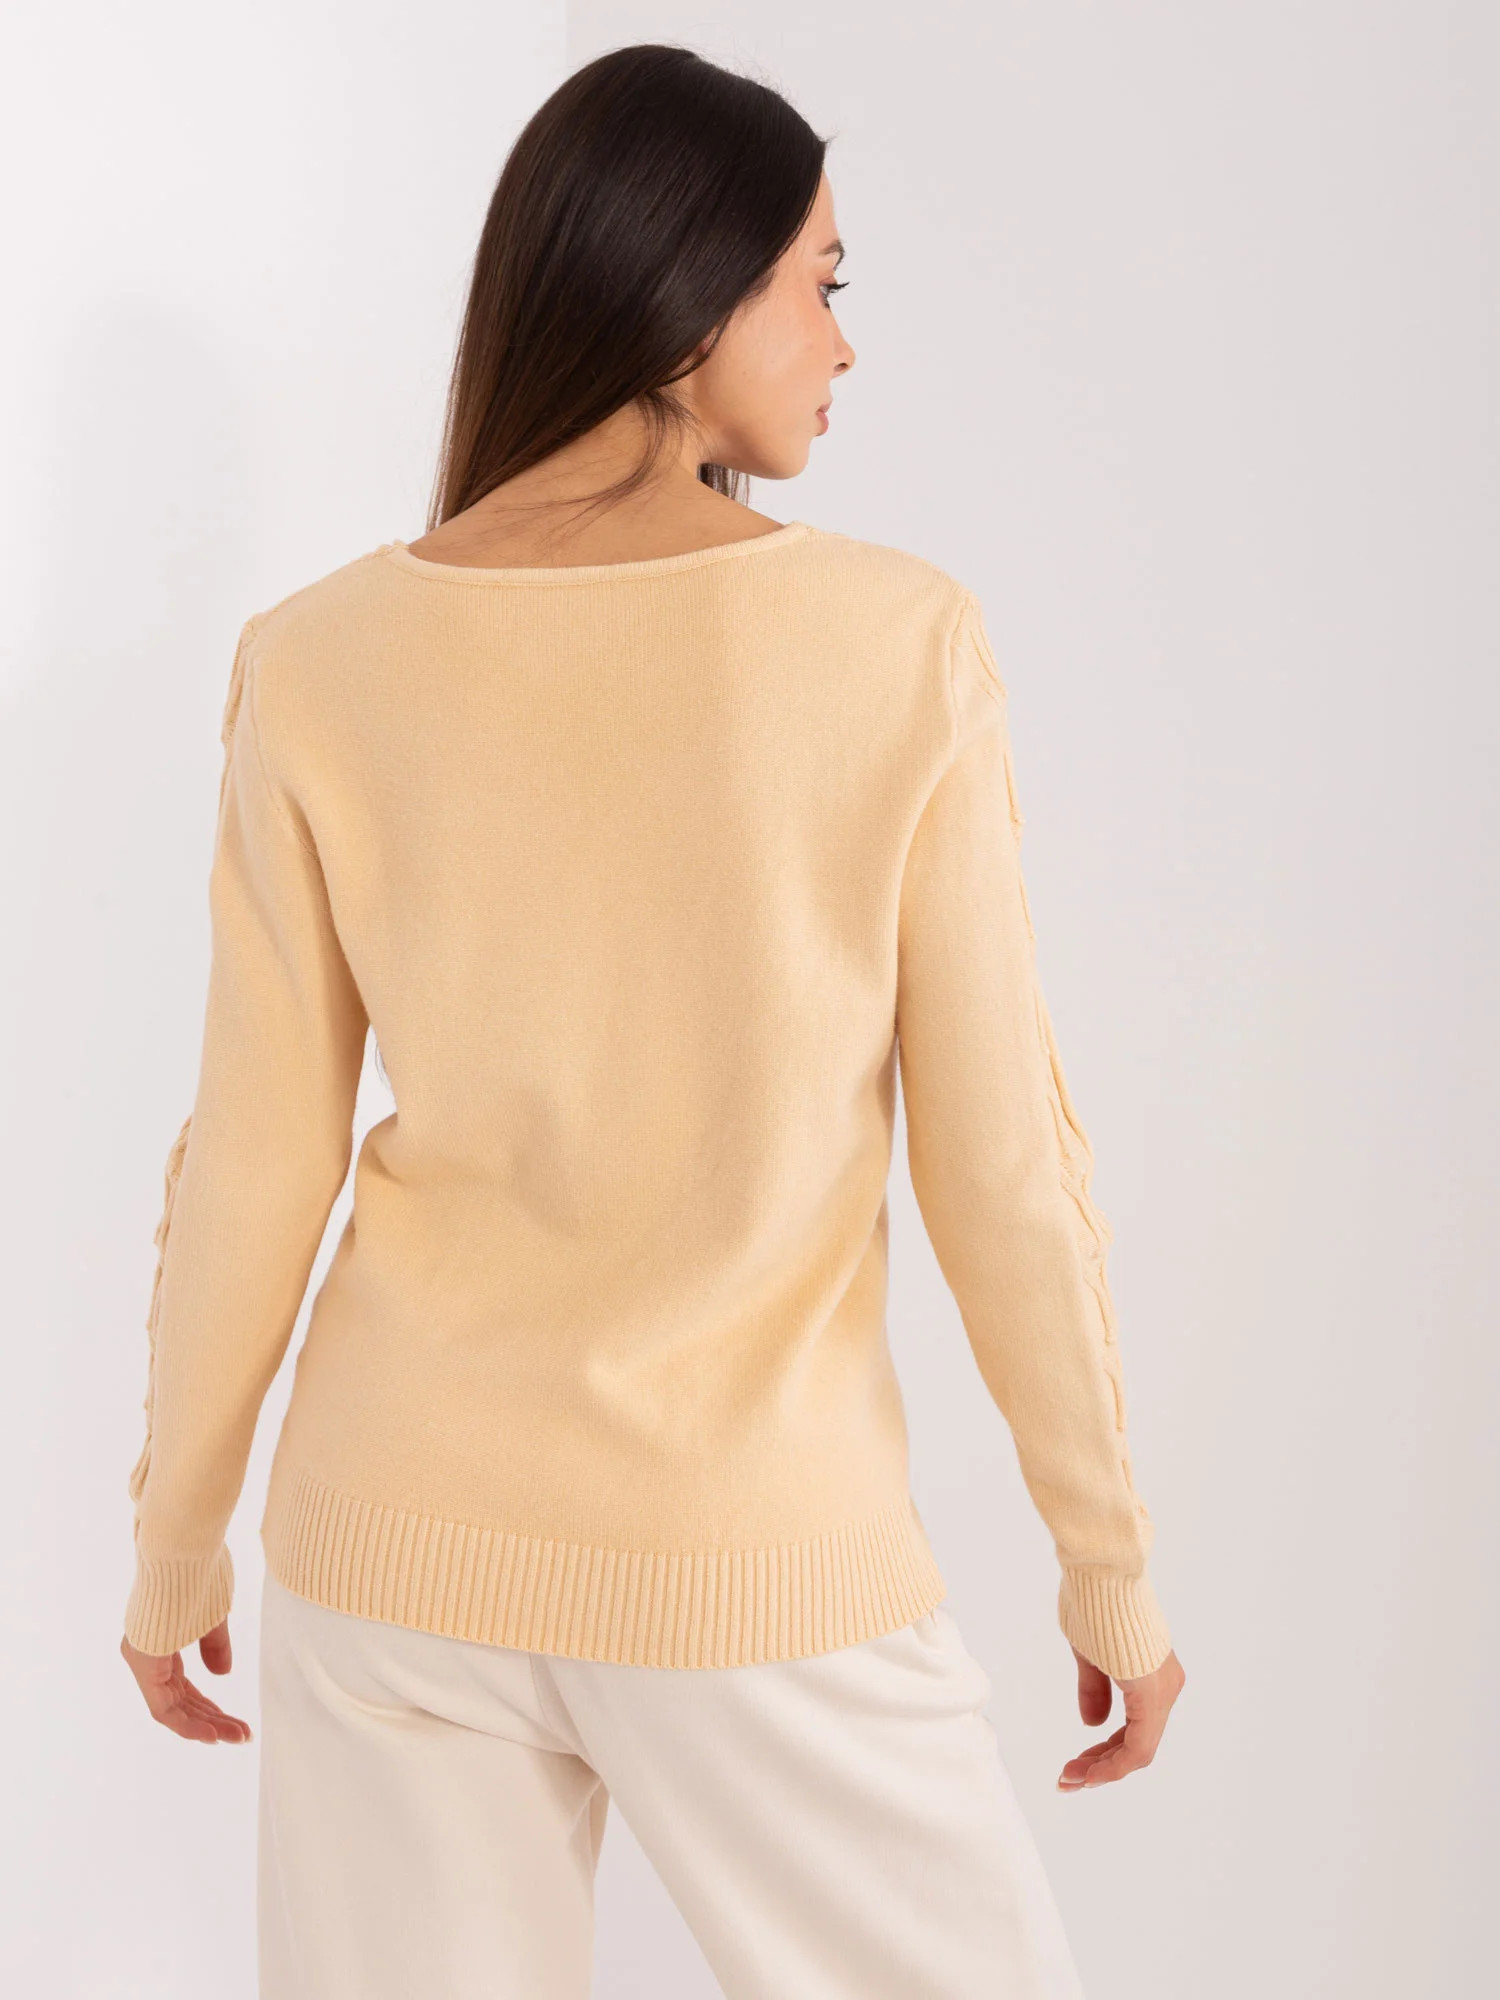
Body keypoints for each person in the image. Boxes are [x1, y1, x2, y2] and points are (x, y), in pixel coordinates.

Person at [119, 40, 1185, 2000]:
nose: (846, 344)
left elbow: (255, 1155)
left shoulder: (320, 659)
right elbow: (1003, 1166)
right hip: (749, 1550)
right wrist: (1103, 1554)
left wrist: (176, 1535)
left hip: (392, 1545)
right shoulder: (897, 643)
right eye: (822, 284)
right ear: (691, 303)